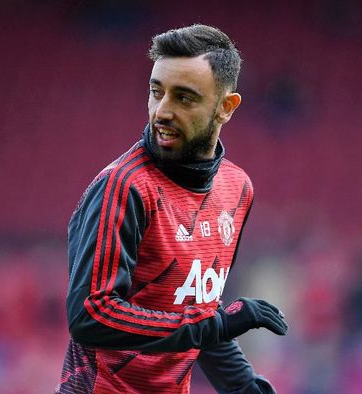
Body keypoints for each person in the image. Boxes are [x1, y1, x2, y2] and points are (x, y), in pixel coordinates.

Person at [56, 24, 288, 394]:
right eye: (156, 92)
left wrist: (244, 386)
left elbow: (200, 311)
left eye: (184, 97)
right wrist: (218, 324)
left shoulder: (236, 188)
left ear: (225, 108)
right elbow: (91, 315)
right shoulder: (124, 186)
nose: (162, 111)